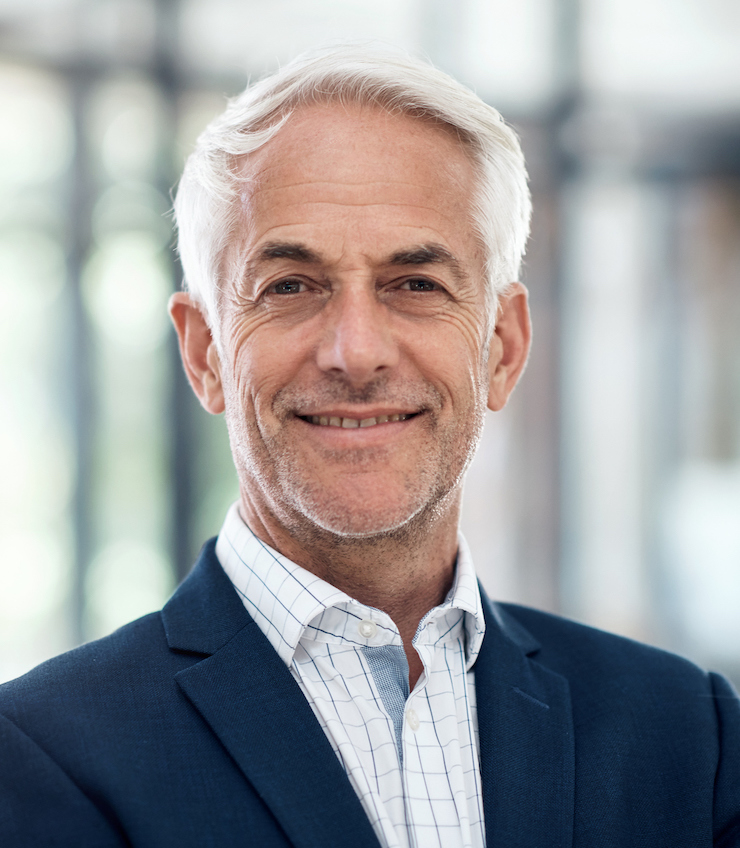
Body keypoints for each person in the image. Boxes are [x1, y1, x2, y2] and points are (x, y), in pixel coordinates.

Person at [1, 45, 739, 848]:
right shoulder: (43, 755)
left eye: (415, 285)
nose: (356, 352)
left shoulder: (690, 738)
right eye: (290, 286)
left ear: (502, 346)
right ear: (205, 353)